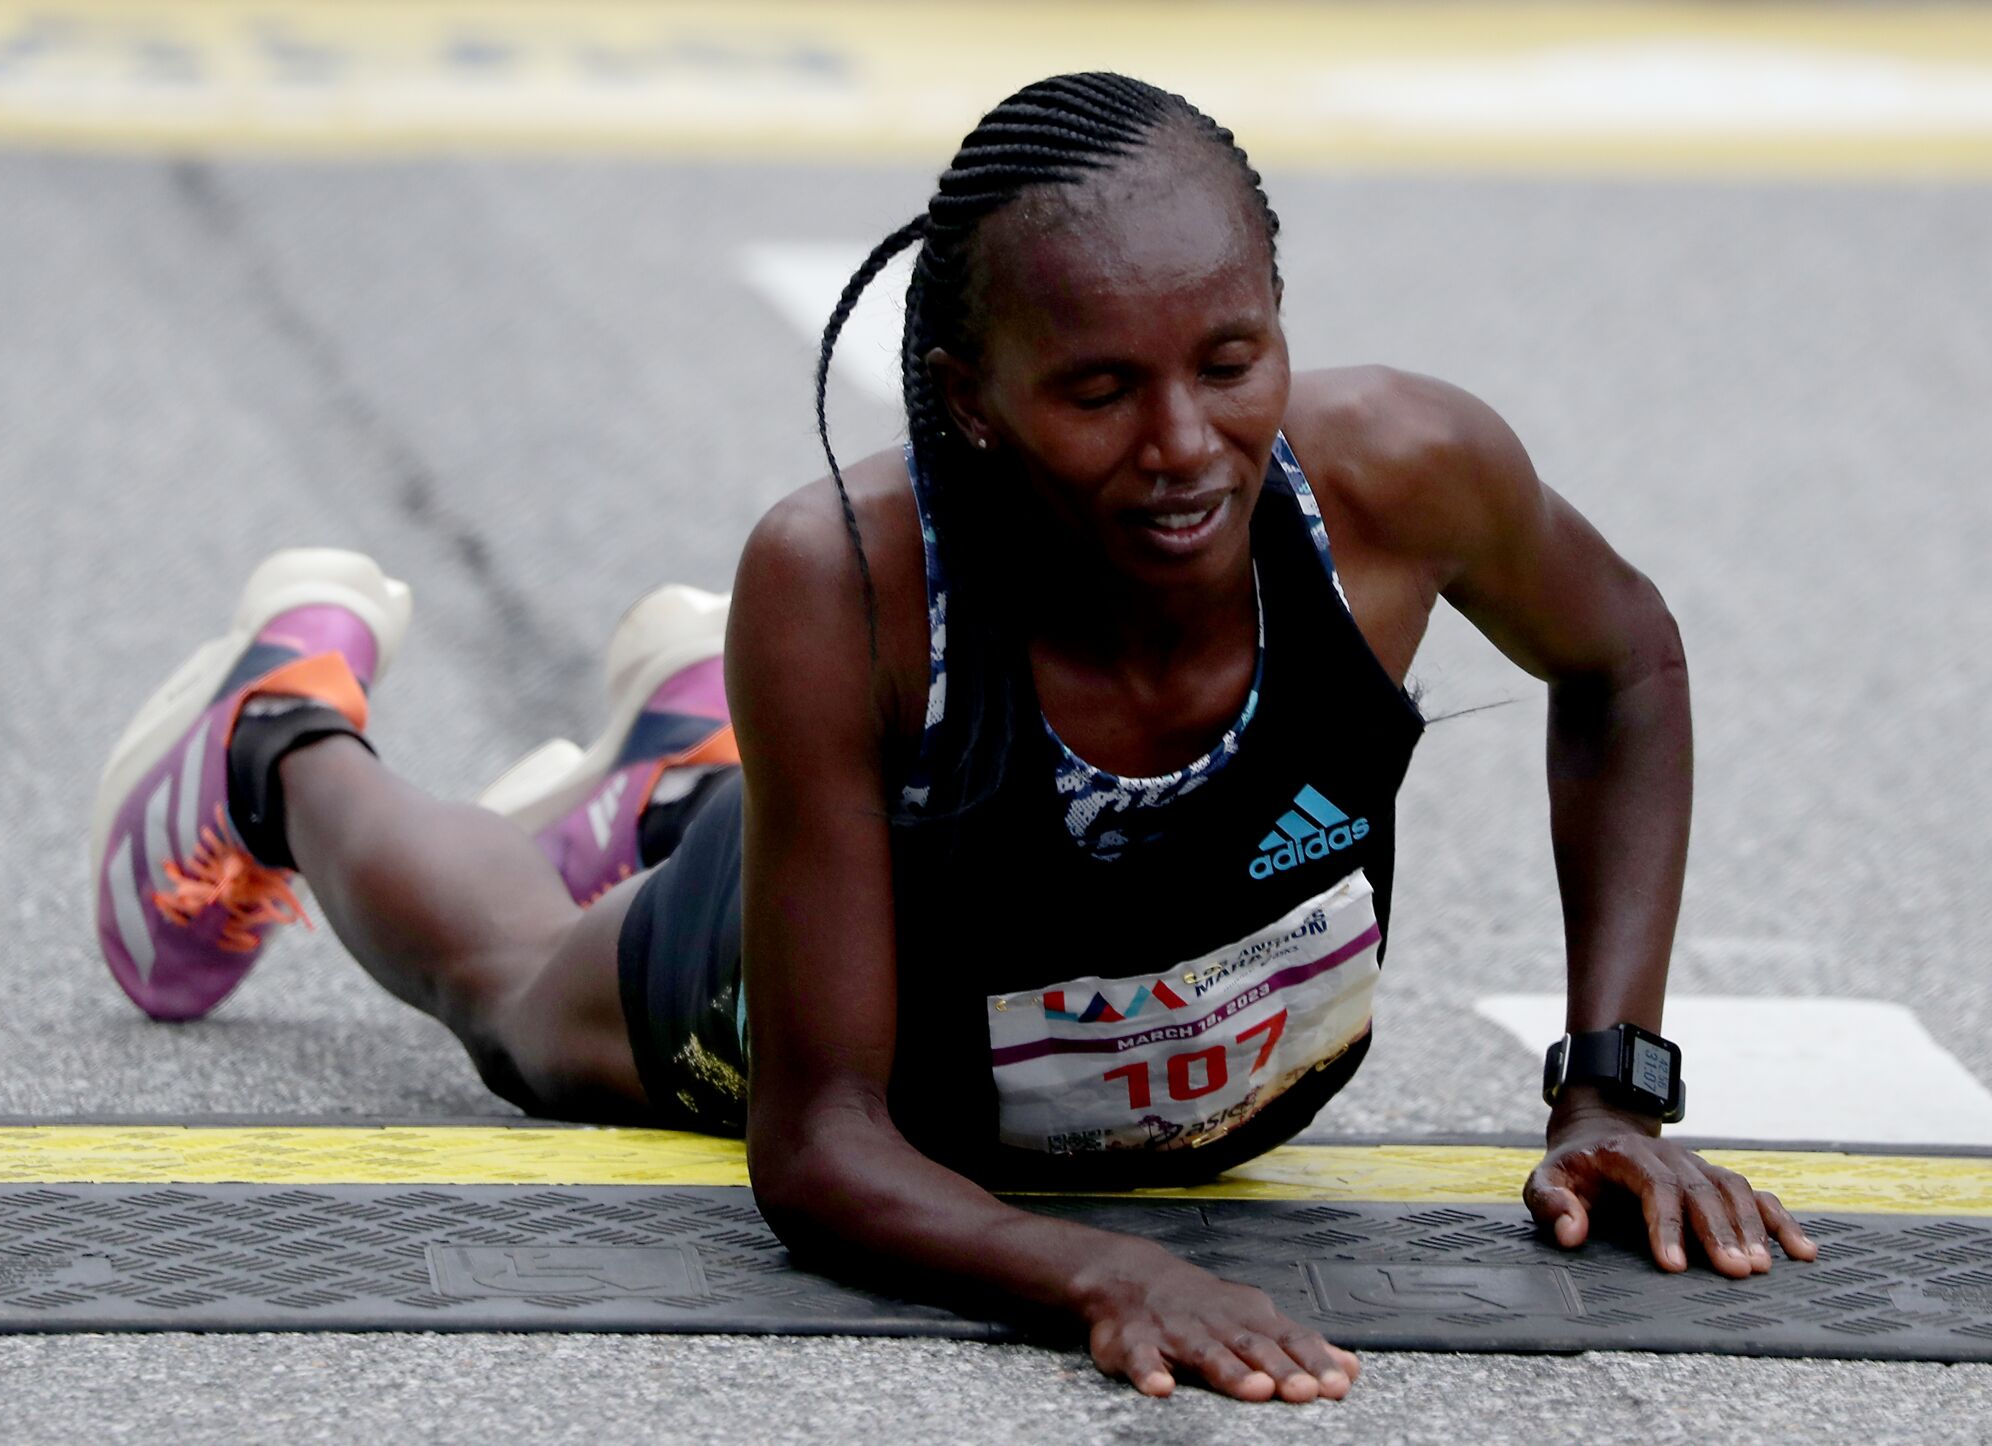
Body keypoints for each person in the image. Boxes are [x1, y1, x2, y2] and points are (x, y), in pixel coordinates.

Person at [89, 72, 1815, 1403]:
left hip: (1035, 958)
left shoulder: (1403, 479)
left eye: (1232, 358)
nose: (1186, 444)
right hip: (872, 1053)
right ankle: (283, 738)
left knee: (778, 797)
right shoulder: (844, 578)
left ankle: (702, 752)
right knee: (518, 991)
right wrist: (1092, 1275)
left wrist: (1612, 1085)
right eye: (1097, 391)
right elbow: (818, 1148)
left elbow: (1629, 665)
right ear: (974, 398)